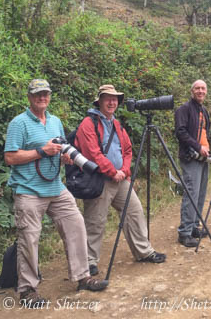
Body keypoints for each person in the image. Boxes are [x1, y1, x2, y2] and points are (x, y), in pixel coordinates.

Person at [4, 79, 108, 307]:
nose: (42, 97)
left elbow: (59, 151)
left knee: (76, 225)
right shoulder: (18, 123)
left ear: (50, 96)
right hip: (28, 191)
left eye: (46, 94)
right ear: (29, 97)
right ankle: (28, 290)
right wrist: (41, 151)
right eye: (37, 94)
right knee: (29, 239)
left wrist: (64, 158)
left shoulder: (55, 121)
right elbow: (10, 157)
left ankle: (83, 277)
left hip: (56, 188)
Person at [73, 84, 166, 276]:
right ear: (99, 101)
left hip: (121, 179)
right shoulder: (88, 124)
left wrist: (124, 170)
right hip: (99, 179)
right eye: (108, 98)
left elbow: (128, 149)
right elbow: (92, 153)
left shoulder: (116, 124)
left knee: (134, 211)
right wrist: (112, 171)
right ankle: (89, 262)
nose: (112, 102)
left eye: (115, 99)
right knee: (95, 221)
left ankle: (143, 251)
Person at [174, 79, 210, 248]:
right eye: (197, 88)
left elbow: (203, 133)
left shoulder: (204, 111)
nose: (200, 91)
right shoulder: (184, 109)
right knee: (191, 193)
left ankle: (195, 226)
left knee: (201, 193)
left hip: (203, 158)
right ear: (192, 91)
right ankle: (185, 232)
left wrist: (206, 149)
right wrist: (198, 147)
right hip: (190, 157)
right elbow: (180, 132)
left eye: (203, 88)